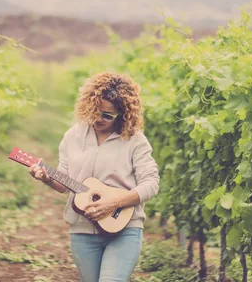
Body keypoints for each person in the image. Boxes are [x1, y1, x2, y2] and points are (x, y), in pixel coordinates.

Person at [29, 71, 160, 282]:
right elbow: (63, 182)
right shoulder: (73, 136)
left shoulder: (135, 140)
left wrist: (115, 201)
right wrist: (45, 177)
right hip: (82, 231)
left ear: (123, 114)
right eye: (96, 111)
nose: (99, 119)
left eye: (108, 115)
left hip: (124, 230)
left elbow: (151, 183)